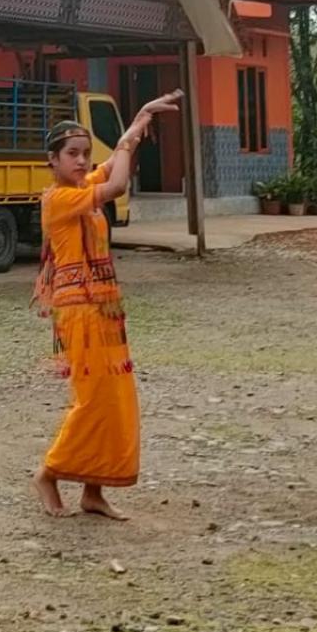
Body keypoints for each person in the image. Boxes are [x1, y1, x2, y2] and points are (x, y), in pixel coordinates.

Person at [30, 90, 184, 521]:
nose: (81, 161)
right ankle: (49, 472)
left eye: (84, 154)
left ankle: (93, 491)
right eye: (72, 155)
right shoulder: (58, 199)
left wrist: (136, 121)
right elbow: (117, 182)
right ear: (53, 161)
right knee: (92, 400)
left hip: (105, 309)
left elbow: (110, 172)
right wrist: (128, 137)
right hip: (78, 312)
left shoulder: (83, 187)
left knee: (116, 400)